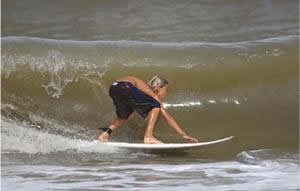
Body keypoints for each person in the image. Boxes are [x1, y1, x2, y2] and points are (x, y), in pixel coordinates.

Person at [98, 76, 199, 144]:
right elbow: (167, 117)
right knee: (156, 105)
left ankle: (105, 135)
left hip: (113, 88)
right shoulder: (152, 93)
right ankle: (148, 136)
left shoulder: (140, 92)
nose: (166, 94)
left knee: (125, 115)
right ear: (158, 88)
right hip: (126, 86)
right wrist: (183, 134)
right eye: (166, 90)